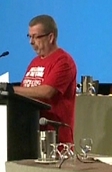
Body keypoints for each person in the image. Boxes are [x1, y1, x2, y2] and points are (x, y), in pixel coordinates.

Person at [15, 15, 77, 145]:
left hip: (55, 141)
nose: (31, 42)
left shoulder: (63, 61)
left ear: (51, 37)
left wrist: (11, 90)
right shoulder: (35, 62)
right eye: (29, 36)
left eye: (36, 37)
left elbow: (47, 92)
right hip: (31, 136)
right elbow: (25, 93)